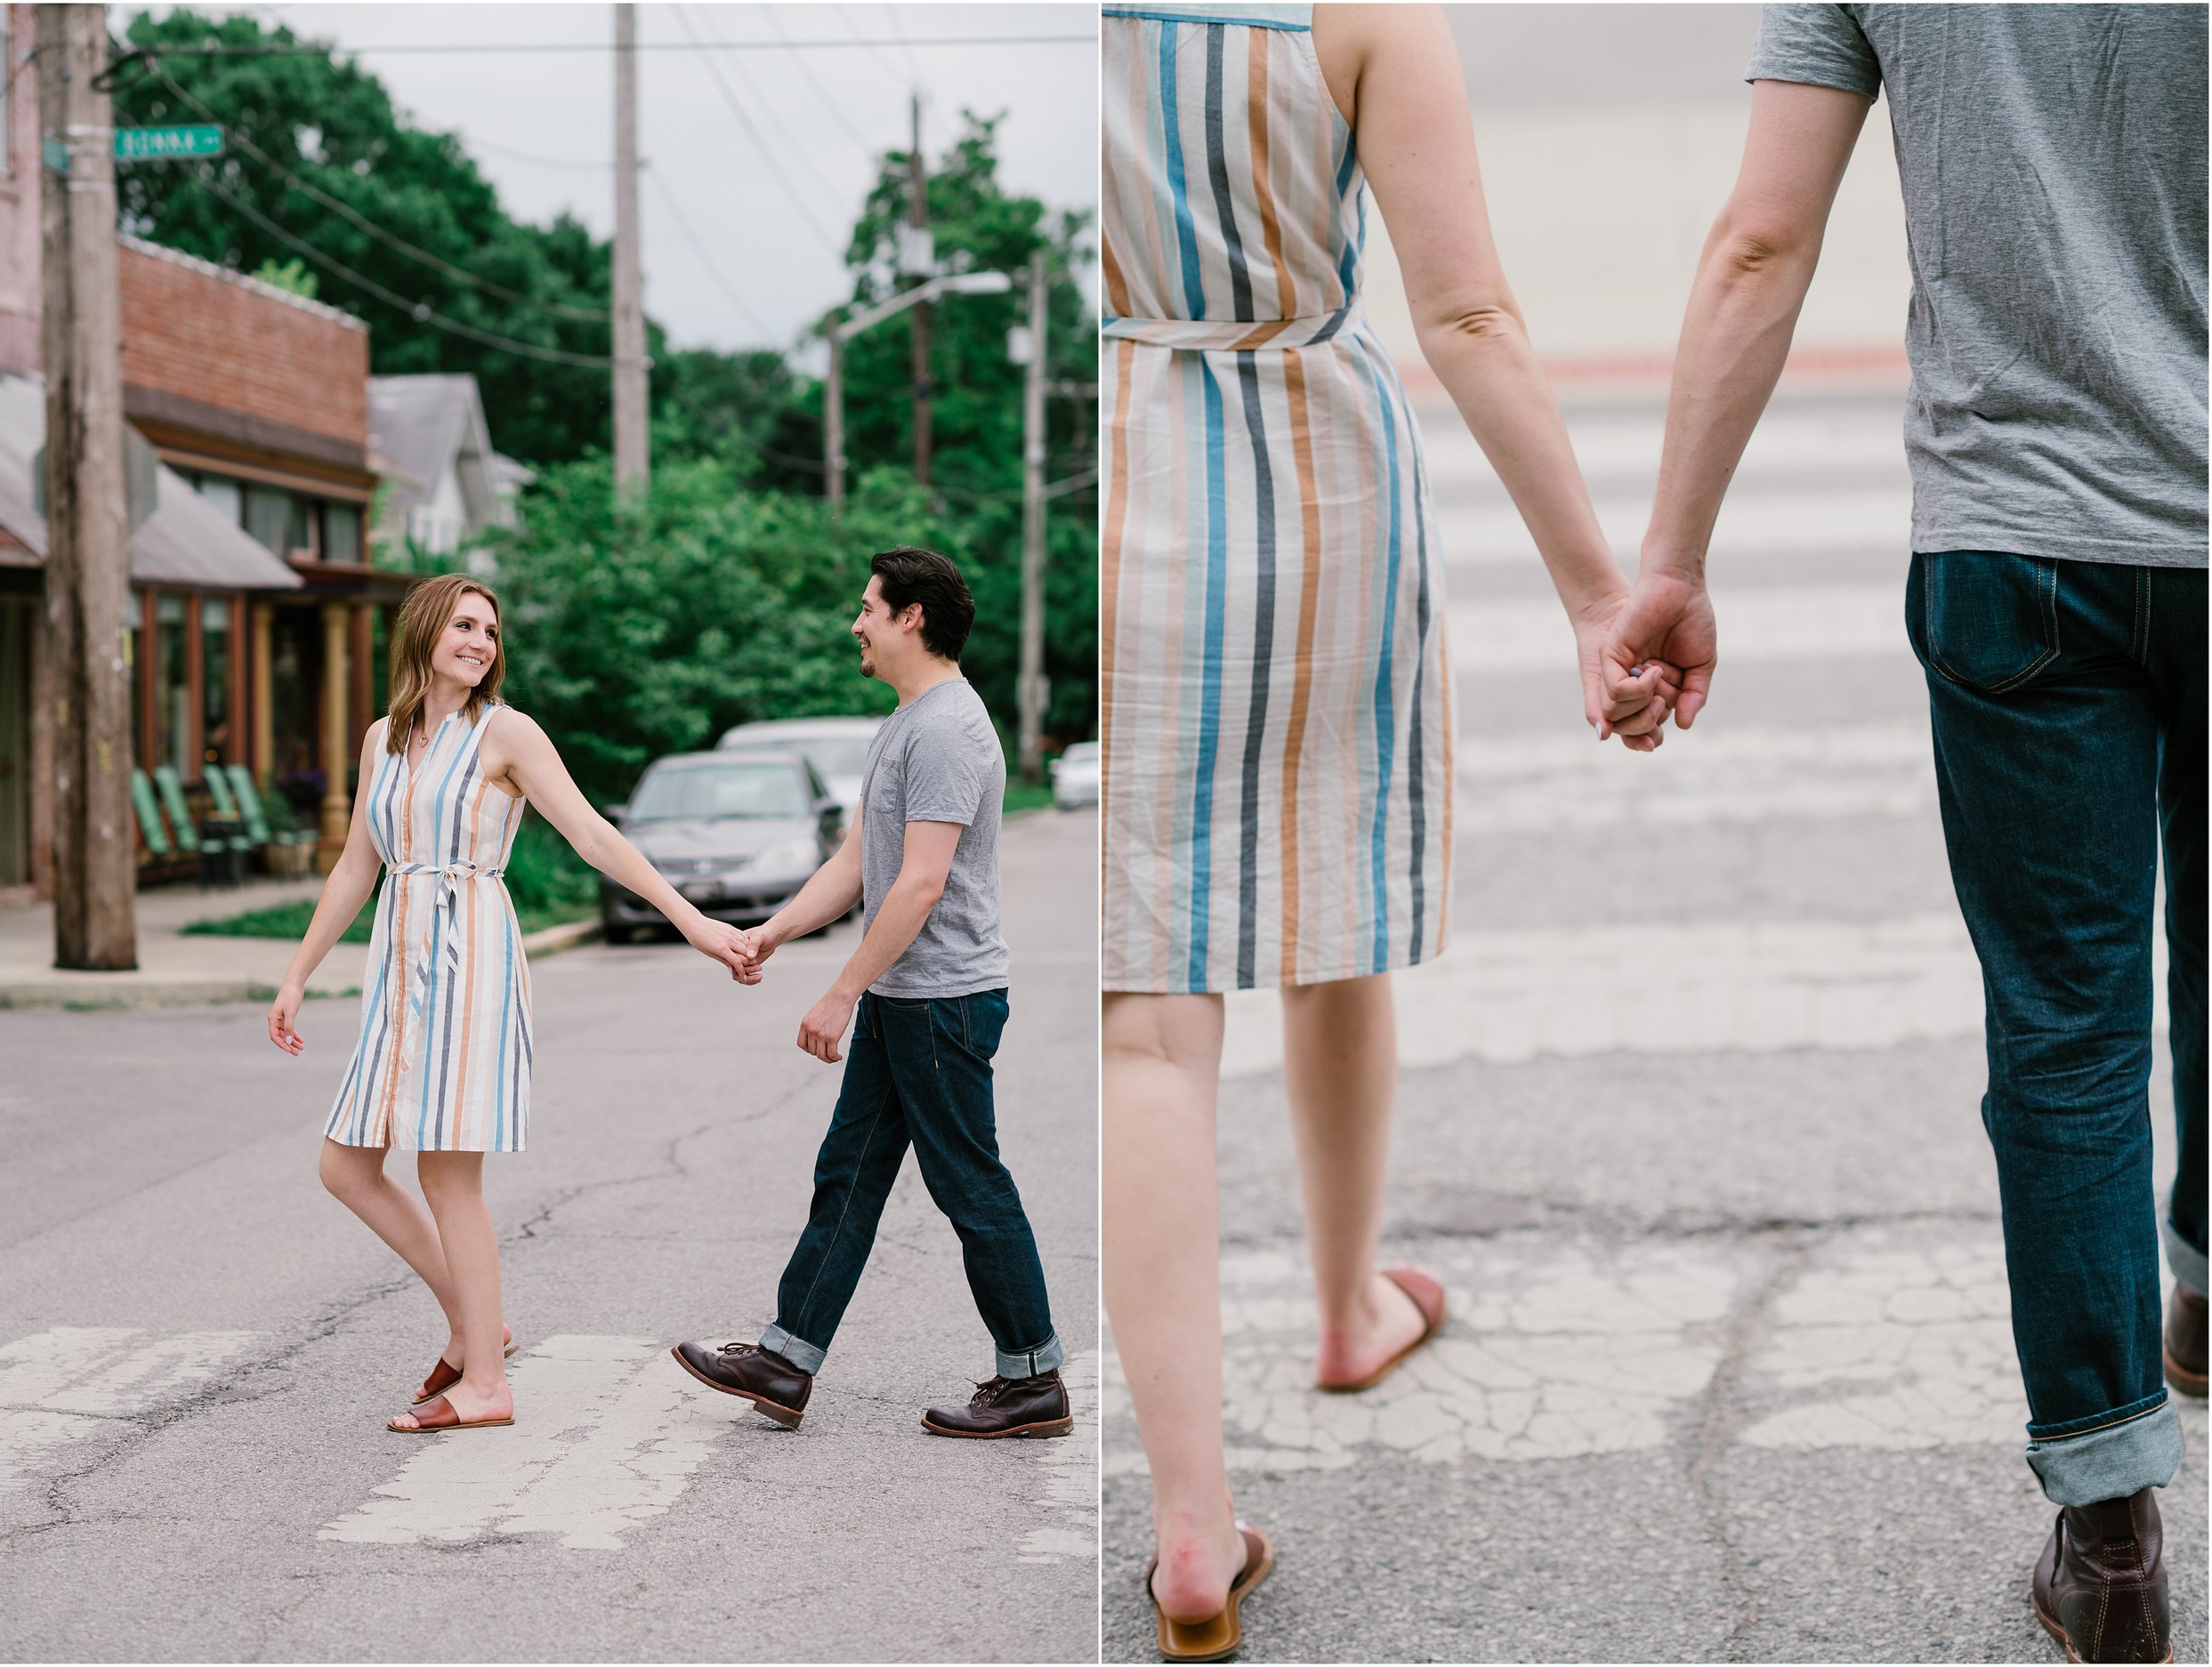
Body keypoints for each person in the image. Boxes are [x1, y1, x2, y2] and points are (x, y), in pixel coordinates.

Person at [1599, 8, 2207, 1660]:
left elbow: (1762, 238)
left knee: (2068, 1027)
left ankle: (2113, 1538)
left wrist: (1671, 553)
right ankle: (2207, 1257)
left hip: (2018, 545)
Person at [1098, 4, 1671, 1657]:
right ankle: (1349, 1306)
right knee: (1325, 900)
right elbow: (1469, 306)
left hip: (1111, 481)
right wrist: (1593, 591)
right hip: (1307, 487)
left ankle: (1191, 1524)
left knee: (1147, 1029)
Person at [269, 573, 747, 1434]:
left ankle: (484, 1378)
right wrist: (299, 971)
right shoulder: (385, 738)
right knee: (346, 1164)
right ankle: (477, 1326)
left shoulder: (508, 732)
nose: (481, 641)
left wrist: (692, 920)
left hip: (468, 957)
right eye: (463, 624)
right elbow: (356, 864)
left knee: (447, 1172)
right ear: (424, 631)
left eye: (489, 629)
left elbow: (593, 833)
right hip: (397, 964)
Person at [671, 547, 1070, 1440]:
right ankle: (787, 1356)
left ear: (910, 617)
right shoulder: (906, 721)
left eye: (866, 607)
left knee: (969, 1182)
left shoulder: (947, 730)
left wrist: (841, 991)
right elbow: (862, 860)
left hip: (942, 998)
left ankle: (1032, 1375)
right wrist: (774, 930)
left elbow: (920, 883)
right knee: (849, 1174)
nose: (855, 622)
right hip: (909, 996)